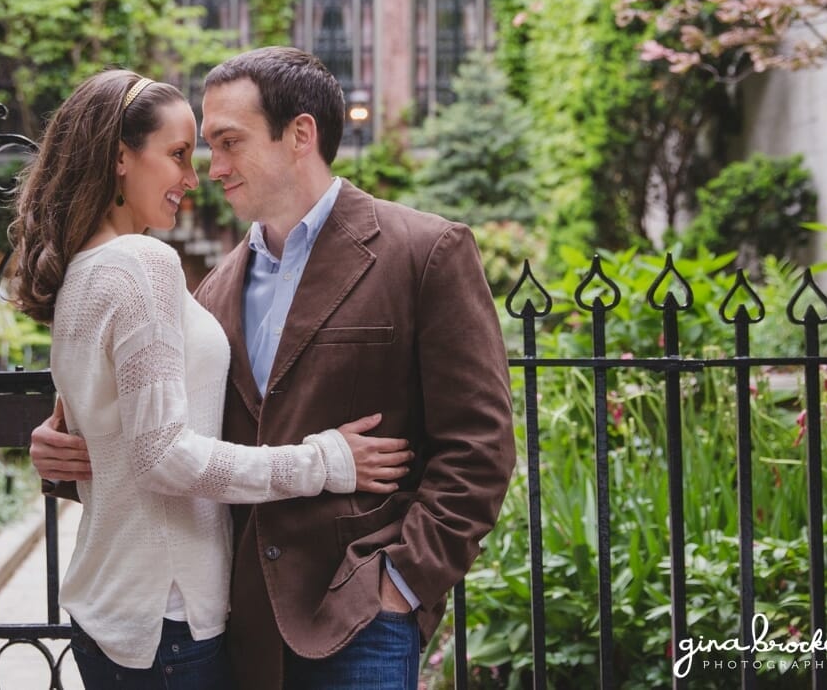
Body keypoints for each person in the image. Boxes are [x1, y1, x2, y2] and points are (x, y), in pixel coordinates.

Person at [32, 49, 515, 689]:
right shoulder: (208, 291)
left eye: (229, 143)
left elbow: (480, 447)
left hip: (362, 616)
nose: (213, 169)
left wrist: (399, 584)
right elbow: (170, 440)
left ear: (301, 135)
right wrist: (65, 449)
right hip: (240, 624)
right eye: (201, 148)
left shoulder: (425, 251)